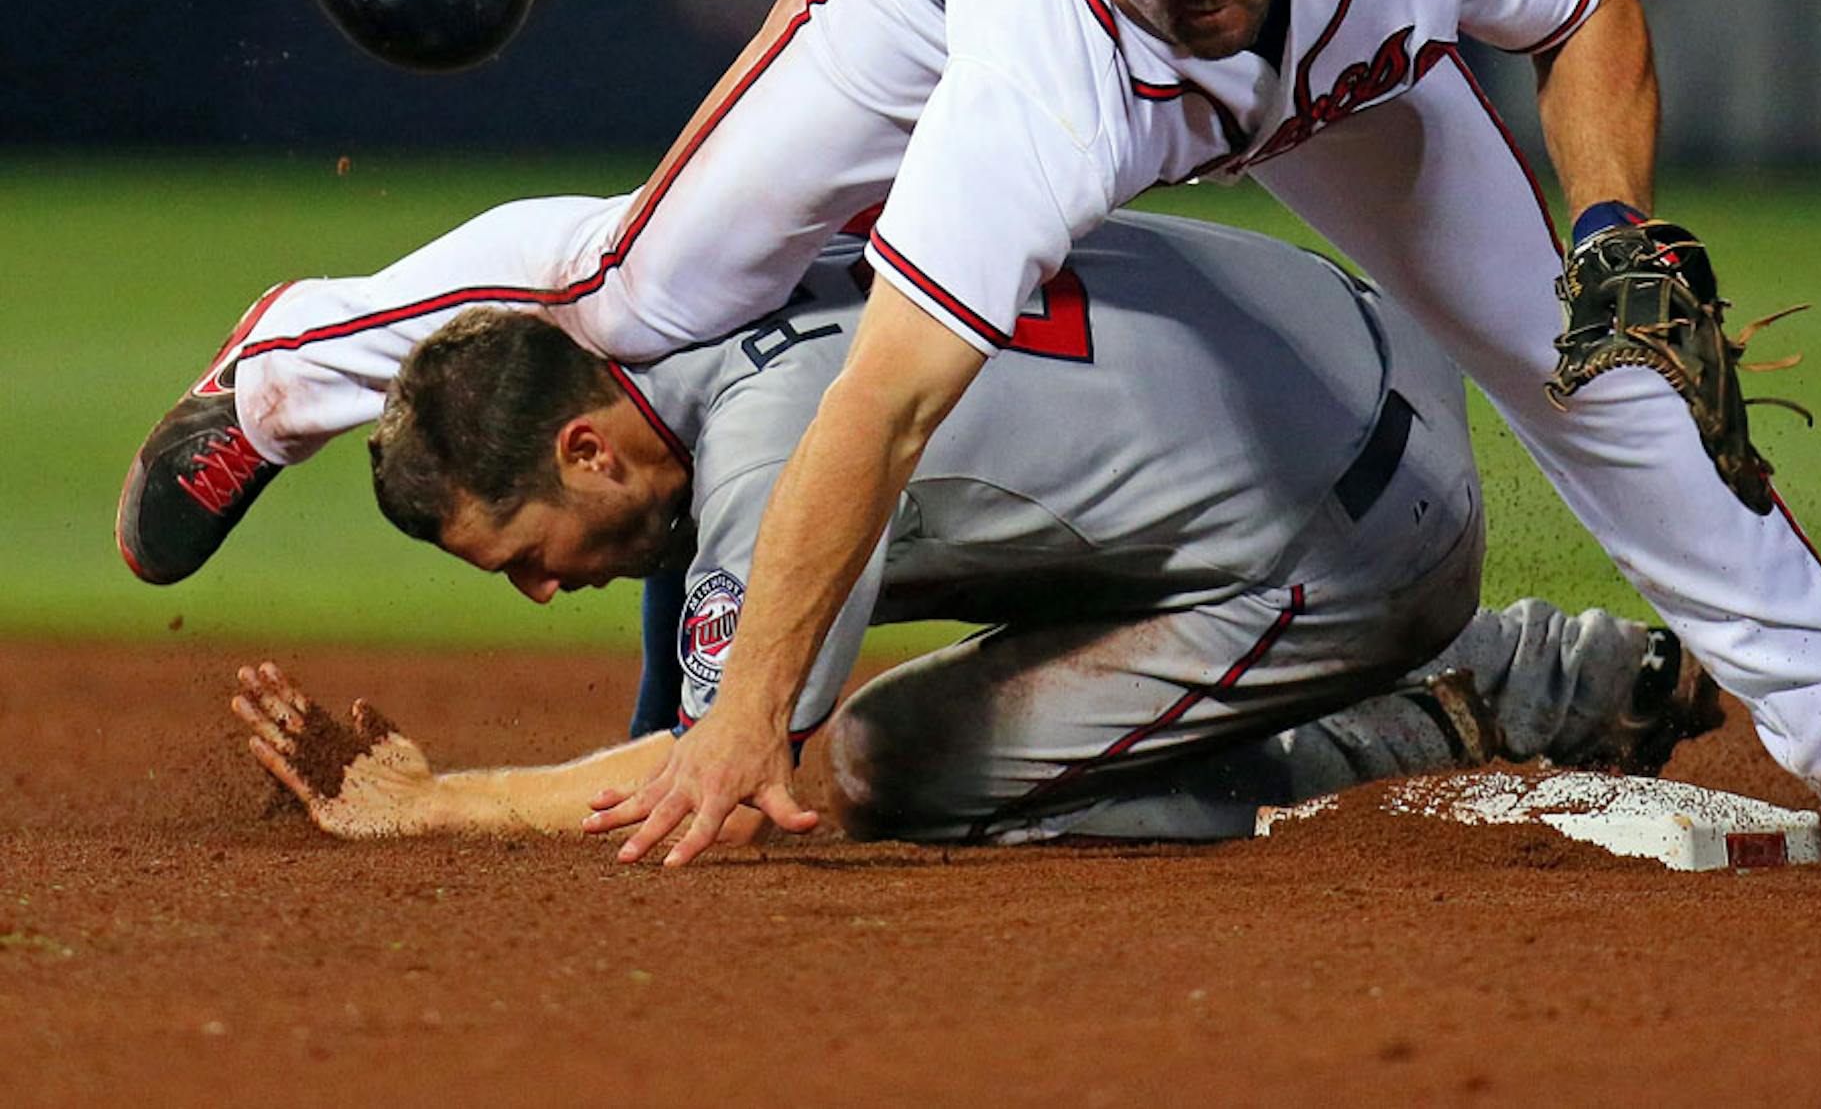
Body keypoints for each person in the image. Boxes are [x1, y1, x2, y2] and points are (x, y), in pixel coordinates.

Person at [124, 0, 1821, 874]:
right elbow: (877, 403)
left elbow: (1589, 6)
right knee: (653, 284)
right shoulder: (1044, 67)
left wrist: (1616, 217)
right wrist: (740, 730)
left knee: (1607, 369)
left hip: (1337, 95)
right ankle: (285, 366)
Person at [232, 214, 1719, 848]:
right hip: (1353, 351)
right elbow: (682, 586)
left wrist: (441, 805)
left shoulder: (765, 450)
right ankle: (1536, 668)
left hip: (1361, 540)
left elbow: (727, 780)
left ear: (585, 444)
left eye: (529, 552)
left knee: (894, 762)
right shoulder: (695, 288)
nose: (543, 592)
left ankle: (1466, 692)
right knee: (1050, 546)